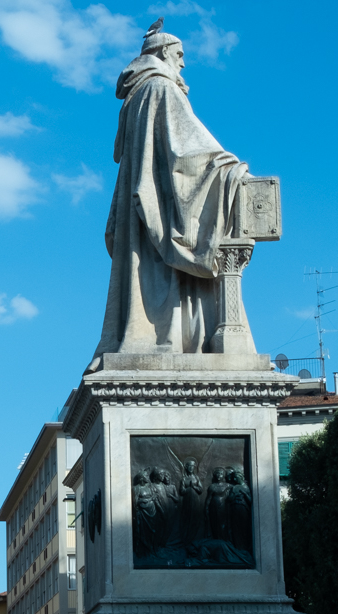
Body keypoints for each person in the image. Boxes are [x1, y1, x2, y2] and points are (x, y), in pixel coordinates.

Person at [93, 18, 255, 361]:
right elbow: (187, 152)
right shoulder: (161, 90)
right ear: (164, 52)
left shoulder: (137, 97)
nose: (183, 62)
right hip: (162, 208)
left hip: (145, 211)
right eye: (179, 54)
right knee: (169, 280)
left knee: (152, 278)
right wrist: (228, 170)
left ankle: (156, 330)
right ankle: (175, 335)